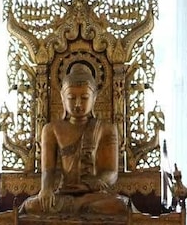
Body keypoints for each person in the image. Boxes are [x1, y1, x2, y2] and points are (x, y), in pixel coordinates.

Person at [19, 63, 128, 216]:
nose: (78, 104)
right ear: (63, 98)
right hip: (63, 195)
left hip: (93, 195)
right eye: (71, 98)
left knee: (120, 204)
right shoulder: (51, 129)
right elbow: (48, 171)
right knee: (31, 205)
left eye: (84, 98)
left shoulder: (106, 129)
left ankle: (79, 208)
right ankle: (80, 210)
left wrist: (94, 183)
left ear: (94, 98)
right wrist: (46, 190)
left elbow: (111, 172)